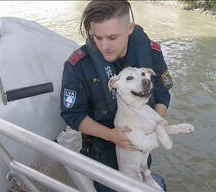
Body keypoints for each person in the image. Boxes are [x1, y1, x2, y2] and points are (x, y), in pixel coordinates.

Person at [60, 1, 172, 191]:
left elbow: (162, 94)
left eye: (112, 37)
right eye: (98, 38)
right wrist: (112, 136)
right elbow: (72, 114)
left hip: (141, 146)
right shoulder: (78, 65)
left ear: (129, 28)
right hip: (101, 150)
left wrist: (155, 125)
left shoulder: (151, 54)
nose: (105, 46)